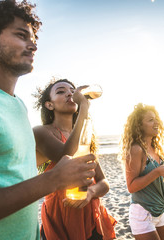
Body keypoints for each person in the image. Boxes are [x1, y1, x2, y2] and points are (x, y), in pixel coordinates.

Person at [0, 1, 96, 239]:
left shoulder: (17, 105)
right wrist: (52, 181)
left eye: (34, 39)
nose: (34, 46)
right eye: (21, 35)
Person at [33, 78, 117, 240]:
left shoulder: (86, 136)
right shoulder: (41, 132)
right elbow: (67, 155)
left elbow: (103, 183)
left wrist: (91, 192)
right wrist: (84, 107)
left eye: (72, 90)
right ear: (50, 105)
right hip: (60, 222)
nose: (70, 94)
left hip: (90, 218)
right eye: (61, 91)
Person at [119, 103, 164, 240]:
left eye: (156, 118)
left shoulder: (157, 149)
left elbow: (159, 178)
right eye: (151, 120)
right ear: (139, 126)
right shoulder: (136, 149)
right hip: (143, 213)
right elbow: (131, 186)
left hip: (161, 210)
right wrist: (158, 172)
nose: (156, 122)